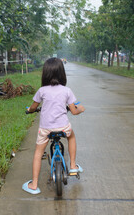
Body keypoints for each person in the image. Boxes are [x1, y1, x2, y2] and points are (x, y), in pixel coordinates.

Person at [22, 57, 85, 195]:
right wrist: (81, 109)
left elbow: (33, 107)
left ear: (45, 74)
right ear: (62, 73)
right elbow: (74, 110)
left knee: (38, 153)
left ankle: (34, 184)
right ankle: (73, 165)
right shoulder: (67, 91)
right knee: (71, 137)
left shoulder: (42, 91)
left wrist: (29, 110)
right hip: (63, 127)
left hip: (45, 129)